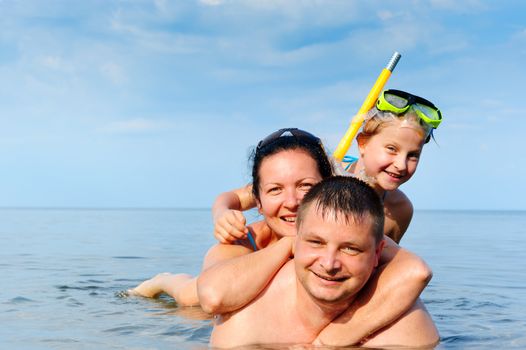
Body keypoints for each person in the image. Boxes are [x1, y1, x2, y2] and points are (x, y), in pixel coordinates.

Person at [130, 128, 432, 345]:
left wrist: (336, 337)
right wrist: (290, 242)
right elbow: (214, 297)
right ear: (258, 203)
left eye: (305, 186)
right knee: (190, 298)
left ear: (327, 188)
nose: (292, 202)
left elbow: (415, 270)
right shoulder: (246, 239)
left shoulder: (347, 236)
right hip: (239, 276)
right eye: (276, 190)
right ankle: (162, 279)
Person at [205, 176, 439, 348]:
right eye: (316, 243)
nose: (329, 264)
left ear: (379, 254)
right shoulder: (247, 321)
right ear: (294, 242)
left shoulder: (406, 330)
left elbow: (416, 271)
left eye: (350, 248)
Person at [212, 89, 442, 244]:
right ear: (362, 143)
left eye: (413, 155)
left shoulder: (400, 210)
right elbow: (234, 198)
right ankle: (174, 279)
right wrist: (223, 215)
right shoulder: (328, 172)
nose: (401, 164)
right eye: (391, 149)